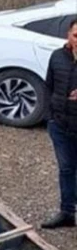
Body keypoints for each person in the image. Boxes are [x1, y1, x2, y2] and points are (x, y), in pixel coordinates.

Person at [42, 18, 77, 229]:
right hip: (60, 126)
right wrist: (50, 118)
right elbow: (48, 87)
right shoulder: (57, 57)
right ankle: (67, 212)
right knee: (66, 170)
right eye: (76, 35)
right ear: (68, 35)